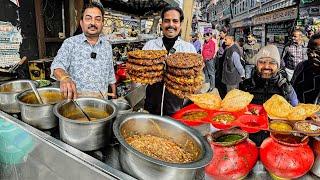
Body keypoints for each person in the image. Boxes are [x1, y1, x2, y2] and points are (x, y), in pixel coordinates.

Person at [50, 2, 117, 99]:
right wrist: (65, 78)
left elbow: (110, 73)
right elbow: (57, 65)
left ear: (102, 24)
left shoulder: (107, 45)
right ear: (81, 23)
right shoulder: (70, 43)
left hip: (101, 104)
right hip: (76, 105)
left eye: (97, 19)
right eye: (88, 18)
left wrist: (114, 95)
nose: (93, 23)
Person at [142, 6, 197, 116]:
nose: (171, 25)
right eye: (167, 21)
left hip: (177, 109)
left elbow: (195, 81)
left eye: (175, 21)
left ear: (180, 24)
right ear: (161, 24)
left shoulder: (189, 49)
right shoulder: (150, 46)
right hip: (151, 109)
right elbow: (140, 76)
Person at [240, 45, 298, 146]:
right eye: (262, 62)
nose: (266, 66)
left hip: (276, 142)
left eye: (272, 62)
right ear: (256, 64)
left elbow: (295, 114)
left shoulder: (286, 88)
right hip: (249, 140)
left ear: (278, 66)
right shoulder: (246, 86)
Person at [292, 33, 320, 104]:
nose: (311, 54)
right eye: (309, 50)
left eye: (317, 51)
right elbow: (291, 90)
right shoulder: (301, 66)